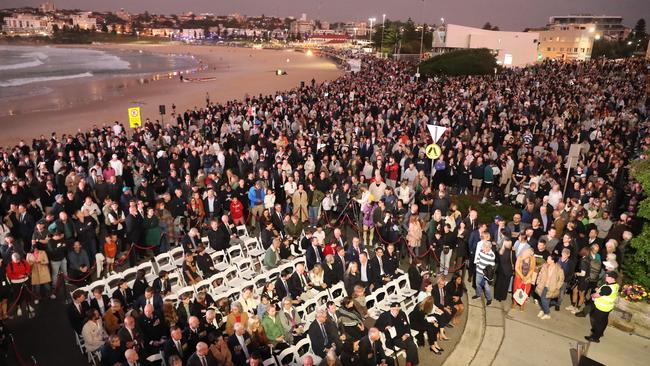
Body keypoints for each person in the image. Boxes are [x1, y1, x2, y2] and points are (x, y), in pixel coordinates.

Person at [585, 271, 619, 343]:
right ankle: (600, 333)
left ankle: (595, 337)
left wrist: (592, 295)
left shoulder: (607, 288)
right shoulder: (615, 285)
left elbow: (596, 296)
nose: (606, 277)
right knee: (603, 321)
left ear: (613, 278)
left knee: (597, 323)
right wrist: (599, 290)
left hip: (601, 308)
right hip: (607, 308)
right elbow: (606, 293)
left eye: (607, 276)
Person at [535, 255, 564, 320]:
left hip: (552, 287)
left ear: (553, 261)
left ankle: (547, 313)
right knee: (544, 299)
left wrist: (557, 287)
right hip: (543, 285)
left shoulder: (559, 269)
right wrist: (538, 281)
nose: (547, 260)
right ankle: (543, 310)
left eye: (548, 259)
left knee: (545, 299)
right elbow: (540, 274)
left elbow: (561, 279)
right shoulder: (545, 266)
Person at [473, 240, 496, 306]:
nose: (482, 248)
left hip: (485, 275)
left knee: (487, 288)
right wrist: (477, 267)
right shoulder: (481, 251)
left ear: (488, 248)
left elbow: (491, 266)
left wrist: (486, 273)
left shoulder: (492, 255)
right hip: (478, 272)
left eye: (484, 247)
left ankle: (489, 299)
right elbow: (478, 259)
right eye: (483, 247)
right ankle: (478, 295)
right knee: (478, 285)